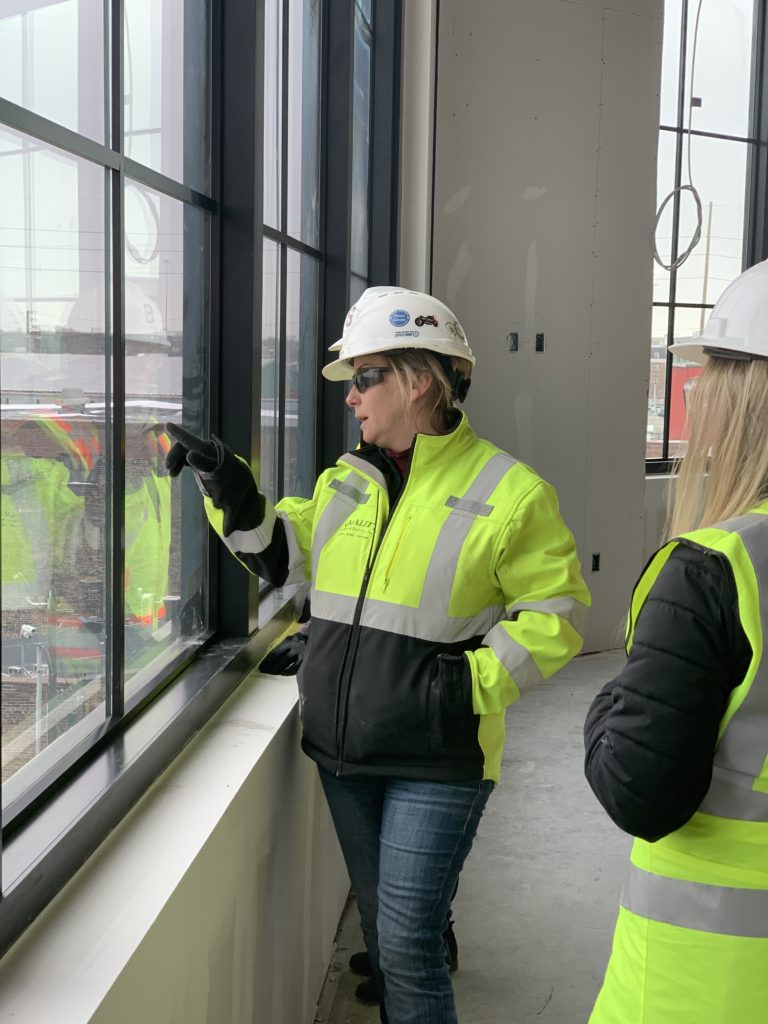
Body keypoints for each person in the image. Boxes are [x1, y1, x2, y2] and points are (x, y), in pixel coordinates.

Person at [167, 287, 590, 1024]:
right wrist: (225, 482)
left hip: (439, 759)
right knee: (387, 934)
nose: (352, 399)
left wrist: (458, 688)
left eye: (365, 378)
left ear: (419, 380)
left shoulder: (511, 493)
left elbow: (555, 618)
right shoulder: (346, 483)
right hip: (343, 754)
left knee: (407, 945)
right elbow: (283, 558)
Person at [584, 259, 768, 1024]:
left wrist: (607, 707)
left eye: (715, 371)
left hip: (709, 985)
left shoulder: (715, 570)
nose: (697, 391)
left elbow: (640, 788)